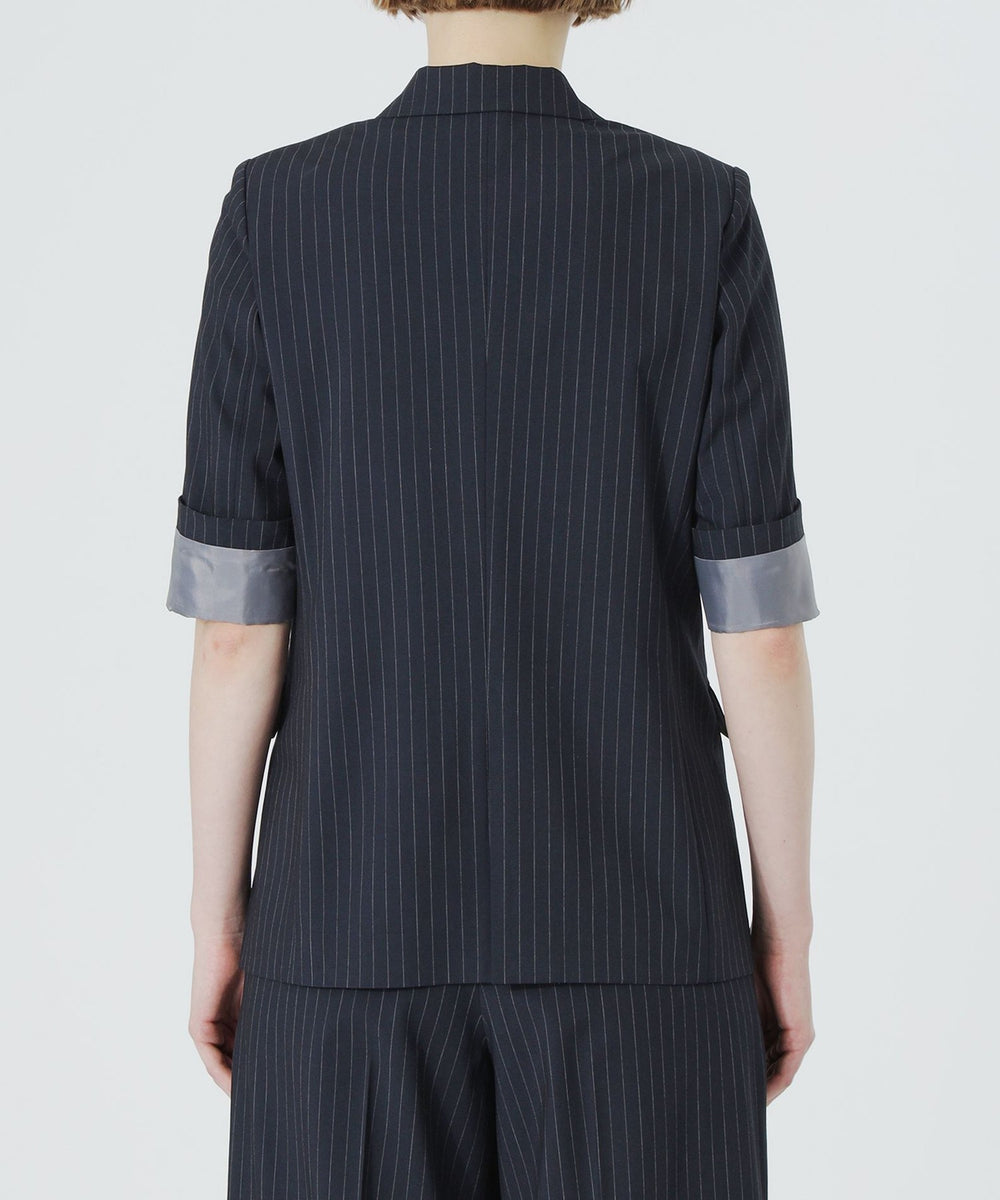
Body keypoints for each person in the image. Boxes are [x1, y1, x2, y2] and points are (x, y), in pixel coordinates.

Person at [165, 2, 819, 1196]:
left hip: (343, 931)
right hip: (643, 939)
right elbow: (759, 633)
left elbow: (234, 631)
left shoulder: (276, 211)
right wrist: (786, 930)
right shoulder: (699, 212)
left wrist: (218, 923)